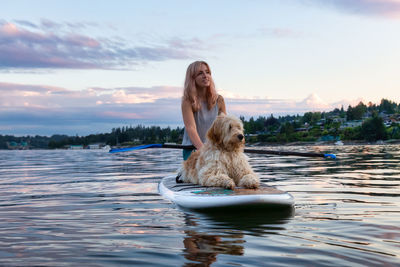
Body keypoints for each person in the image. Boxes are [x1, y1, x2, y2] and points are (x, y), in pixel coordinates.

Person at [181, 61, 226, 160]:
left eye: (207, 72)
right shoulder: (187, 101)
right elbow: (191, 128)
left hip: (215, 149)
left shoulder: (219, 100)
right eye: (200, 73)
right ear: (192, 78)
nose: (205, 76)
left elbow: (225, 127)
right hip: (193, 149)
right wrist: (203, 150)